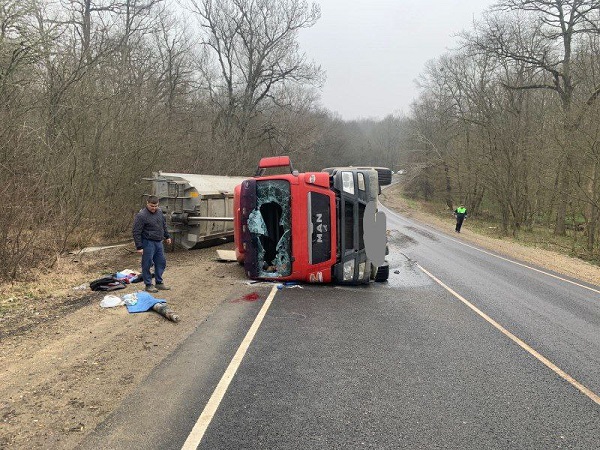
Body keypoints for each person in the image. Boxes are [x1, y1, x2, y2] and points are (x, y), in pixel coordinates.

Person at [133, 196, 172, 293]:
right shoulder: (141, 215)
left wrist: (167, 236)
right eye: (152, 206)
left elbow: (163, 225)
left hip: (159, 242)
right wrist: (139, 246)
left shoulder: (159, 212)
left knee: (161, 262)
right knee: (147, 264)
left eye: (156, 206)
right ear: (147, 203)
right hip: (147, 242)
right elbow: (136, 231)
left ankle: (159, 282)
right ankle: (148, 284)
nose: (154, 208)